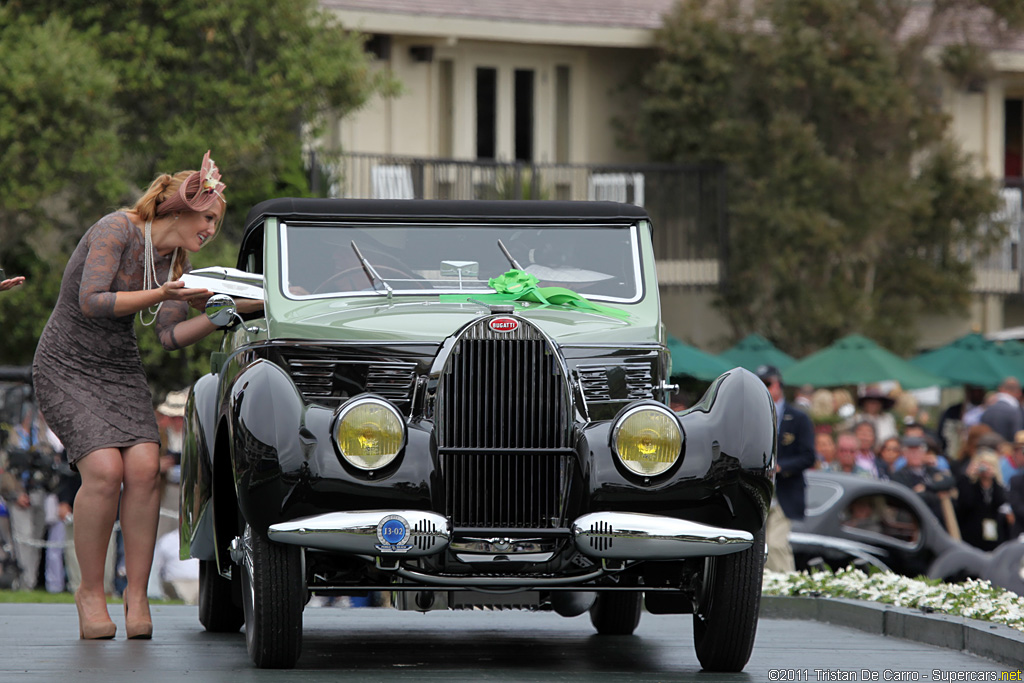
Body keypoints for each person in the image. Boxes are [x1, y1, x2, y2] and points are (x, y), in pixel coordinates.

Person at [32, 151, 260, 640]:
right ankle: (90, 593)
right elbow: (91, 302)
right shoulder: (117, 230)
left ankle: (136, 595)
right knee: (104, 470)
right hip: (65, 365)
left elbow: (170, 337)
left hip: (118, 367)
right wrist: (164, 296)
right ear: (180, 207)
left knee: (143, 468)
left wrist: (238, 307)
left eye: (215, 222)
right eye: (208, 218)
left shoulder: (175, 260)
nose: (210, 230)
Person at [757, 365, 815, 572]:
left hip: (785, 490)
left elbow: (809, 456)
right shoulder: (754, 415)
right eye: (759, 384)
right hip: (759, 491)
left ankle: (786, 586)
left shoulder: (798, 418)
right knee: (758, 546)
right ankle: (768, 590)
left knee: (776, 544)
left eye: (767, 383)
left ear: (779, 385)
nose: (763, 388)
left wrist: (781, 467)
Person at [890, 435, 956, 530]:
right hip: (912, 524)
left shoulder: (931, 470)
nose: (915, 455)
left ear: (924, 453)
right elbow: (911, 497)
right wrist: (937, 495)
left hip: (937, 523)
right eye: (911, 452)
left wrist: (926, 487)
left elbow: (950, 481)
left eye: (918, 451)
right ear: (904, 454)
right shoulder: (898, 475)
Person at [955, 449, 1008, 551]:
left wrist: (992, 481)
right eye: (983, 466)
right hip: (971, 533)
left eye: (990, 465)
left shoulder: (997, 486)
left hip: (992, 533)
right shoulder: (968, 484)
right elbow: (966, 502)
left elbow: (1000, 502)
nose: (985, 470)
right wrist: (969, 475)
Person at [979, 377, 1024, 443]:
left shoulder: (987, 410)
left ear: (1001, 389)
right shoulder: (1015, 412)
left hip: (988, 450)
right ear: (1019, 393)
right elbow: (1018, 439)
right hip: (1008, 450)